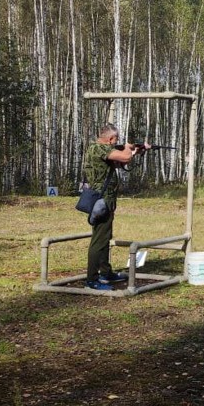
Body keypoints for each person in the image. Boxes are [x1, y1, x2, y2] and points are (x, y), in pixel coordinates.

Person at [82, 123, 150, 290]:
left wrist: (136, 151)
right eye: (116, 139)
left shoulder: (100, 150)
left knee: (105, 237)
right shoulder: (100, 149)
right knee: (98, 241)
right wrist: (128, 148)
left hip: (106, 200)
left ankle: (105, 272)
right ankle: (92, 279)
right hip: (101, 201)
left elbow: (120, 162)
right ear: (110, 139)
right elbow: (125, 157)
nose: (116, 142)